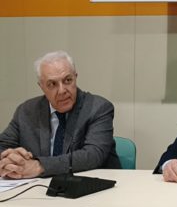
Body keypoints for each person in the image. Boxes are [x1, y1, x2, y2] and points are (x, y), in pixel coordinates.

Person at [0, 51, 121, 179]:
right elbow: (2, 145)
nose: (62, 90)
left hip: (92, 186)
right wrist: (10, 158)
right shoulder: (26, 111)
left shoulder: (98, 108)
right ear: (41, 86)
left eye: (68, 80)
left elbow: (93, 155)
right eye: (52, 84)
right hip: (39, 187)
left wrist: (39, 166)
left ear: (75, 78)